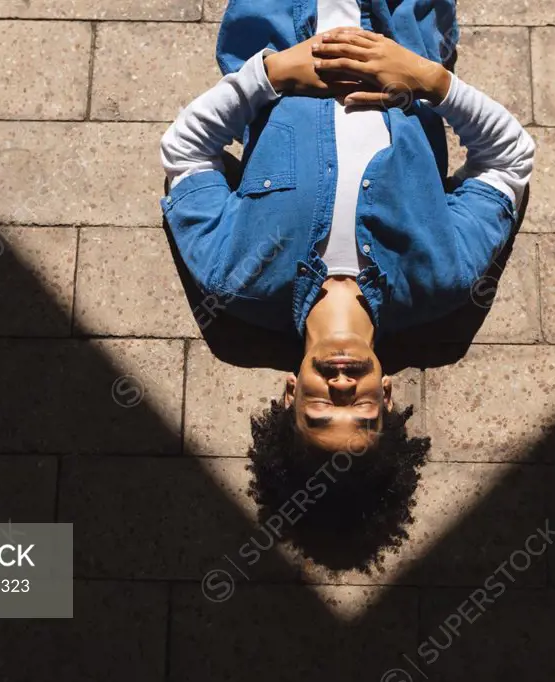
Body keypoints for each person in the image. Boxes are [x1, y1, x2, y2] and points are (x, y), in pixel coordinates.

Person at [160, 0, 535, 464]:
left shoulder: (234, 278)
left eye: (319, 411)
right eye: (362, 412)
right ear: (388, 395)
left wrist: (271, 75)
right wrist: (429, 82)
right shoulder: (443, 278)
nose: (341, 388)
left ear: (290, 393)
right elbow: (510, 160)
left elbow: (185, 154)